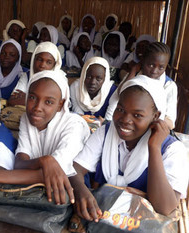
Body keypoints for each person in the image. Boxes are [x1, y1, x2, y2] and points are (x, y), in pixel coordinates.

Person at [0, 70, 90, 207]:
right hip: (33, 190)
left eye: (48, 102)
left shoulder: (74, 125)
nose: (37, 107)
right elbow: (19, 163)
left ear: (60, 105)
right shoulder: (28, 118)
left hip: (73, 193)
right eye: (32, 98)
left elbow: (54, 174)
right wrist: (44, 161)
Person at [69, 75, 188, 221]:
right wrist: (82, 191)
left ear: (156, 117)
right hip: (101, 219)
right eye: (120, 109)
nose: (125, 120)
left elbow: (165, 207)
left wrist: (154, 148)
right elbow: (75, 169)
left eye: (137, 115)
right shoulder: (106, 133)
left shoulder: (172, 150)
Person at [106, 42, 177, 129]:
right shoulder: (133, 77)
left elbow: (170, 123)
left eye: (161, 67)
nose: (154, 71)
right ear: (142, 61)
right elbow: (119, 96)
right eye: (151, 65)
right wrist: (133, 70)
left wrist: (144, 120)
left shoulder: (169, 86)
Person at [8, 41, 62, 106]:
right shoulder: (27, 76)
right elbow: (12, 100)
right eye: (39, 59)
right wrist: (46, 102)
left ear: (54, 65)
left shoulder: (60, 80)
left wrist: (27, 98)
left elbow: (59, 107)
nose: (42, 65)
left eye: (49, 62)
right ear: (34, 59)